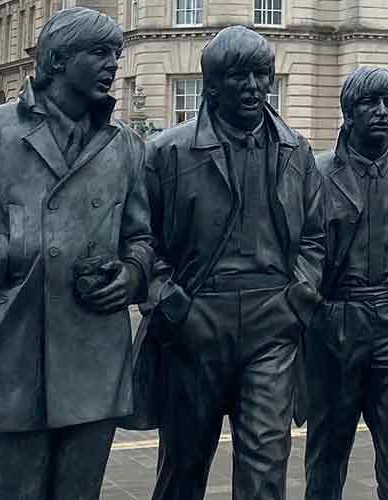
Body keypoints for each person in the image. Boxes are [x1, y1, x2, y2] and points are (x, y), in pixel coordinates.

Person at [0, 7, 154, 499]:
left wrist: (131, 275)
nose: (113, 65)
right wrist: (13, 252)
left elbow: (143, 239)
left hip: (94, 356)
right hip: (13, 353)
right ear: (59, 59)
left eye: (117, 54)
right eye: (100, 53)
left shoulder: (125, 145)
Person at [128, 25, 326, 500]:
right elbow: (140, 240)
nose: (255, 87)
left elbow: (315, 238)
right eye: (240, 77)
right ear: (211, 85)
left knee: (266, 466)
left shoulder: (295, 150)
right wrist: (168, 303)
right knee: (183, 466)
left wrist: (298, 297)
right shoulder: (167, 153)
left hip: (272, 323)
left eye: (262, 75)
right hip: (196, 321)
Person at [302, 67, 388, 500]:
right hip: (335, 327)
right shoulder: (317, 175)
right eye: (369, 104)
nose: (382, 113)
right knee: (326, 458)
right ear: (349, 112)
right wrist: (316, 315)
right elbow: (300, 254)